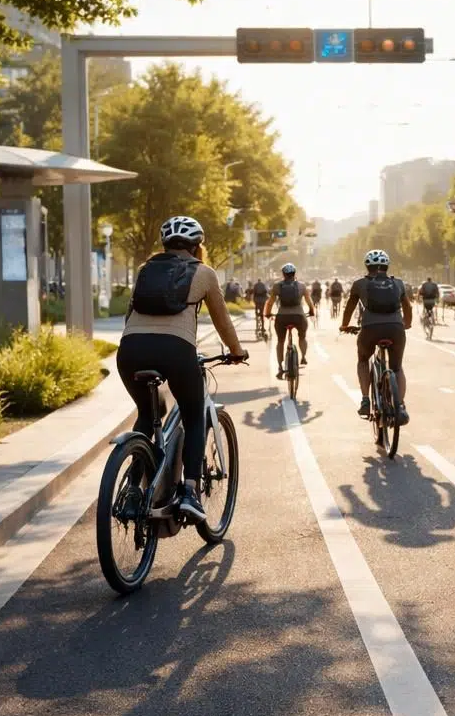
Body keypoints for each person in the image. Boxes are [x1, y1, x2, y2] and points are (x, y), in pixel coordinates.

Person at [117, 216, 248, 522]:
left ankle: (134, 489)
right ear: (197, 246)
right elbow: (222, 319)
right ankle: (190, 491)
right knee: (193, 415)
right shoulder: (203, 272)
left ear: (164, 244)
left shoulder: (145, 269)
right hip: (176, 351)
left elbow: (129, 314)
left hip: (130, 350)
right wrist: (236, 352)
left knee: (148, 415)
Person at [340, 250, 413, 424]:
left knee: (363, 360)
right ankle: (400, 406)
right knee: (397, 368)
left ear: (367, 266)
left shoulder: (359, 284)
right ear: (387, 266)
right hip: (395, 328)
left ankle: (365, 400)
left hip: (370, 329)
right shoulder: (399, 284)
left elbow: (350, 307)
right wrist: (406, 323)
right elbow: (408, 307)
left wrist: (344, 325)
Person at [264, 263, 314, 377]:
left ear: (283, 274)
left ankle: (280, 367)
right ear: (294, 273)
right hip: (299, 316)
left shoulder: (277, 286)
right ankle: (303, 357)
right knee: (302, 337)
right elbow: (309, 301)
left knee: (280, 341)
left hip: (282, 317)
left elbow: (270, 302)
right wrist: (311, 311)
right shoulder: (301, 286)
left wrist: (267, 313)